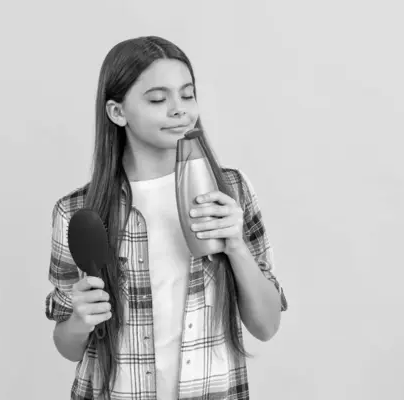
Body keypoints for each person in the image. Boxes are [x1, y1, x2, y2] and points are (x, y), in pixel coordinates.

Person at [45, 35, 288, 400]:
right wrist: (80, 319)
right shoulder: (79, 210)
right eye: (158, 99)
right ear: (117, 112)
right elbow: (68, 347)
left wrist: (235, 245)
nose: (180, 110)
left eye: (187, 94)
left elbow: (266, 326)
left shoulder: (231, 191)